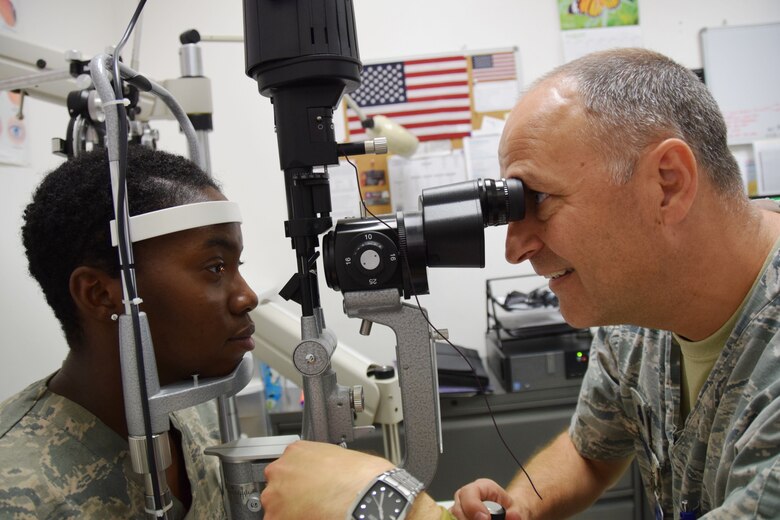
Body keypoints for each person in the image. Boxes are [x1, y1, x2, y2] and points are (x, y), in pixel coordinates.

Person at [258, 48, 780, 519]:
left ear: (667, 183)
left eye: (542, 201)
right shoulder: (636, 317)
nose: (514, 247)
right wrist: (521, 508)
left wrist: (388, 508)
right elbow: (589, 451)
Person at [0, 146, 259, 518]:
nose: (246, 296)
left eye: (238, 264)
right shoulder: (18, 491)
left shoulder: (187, 419)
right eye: (215, 267)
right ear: (101, 294)